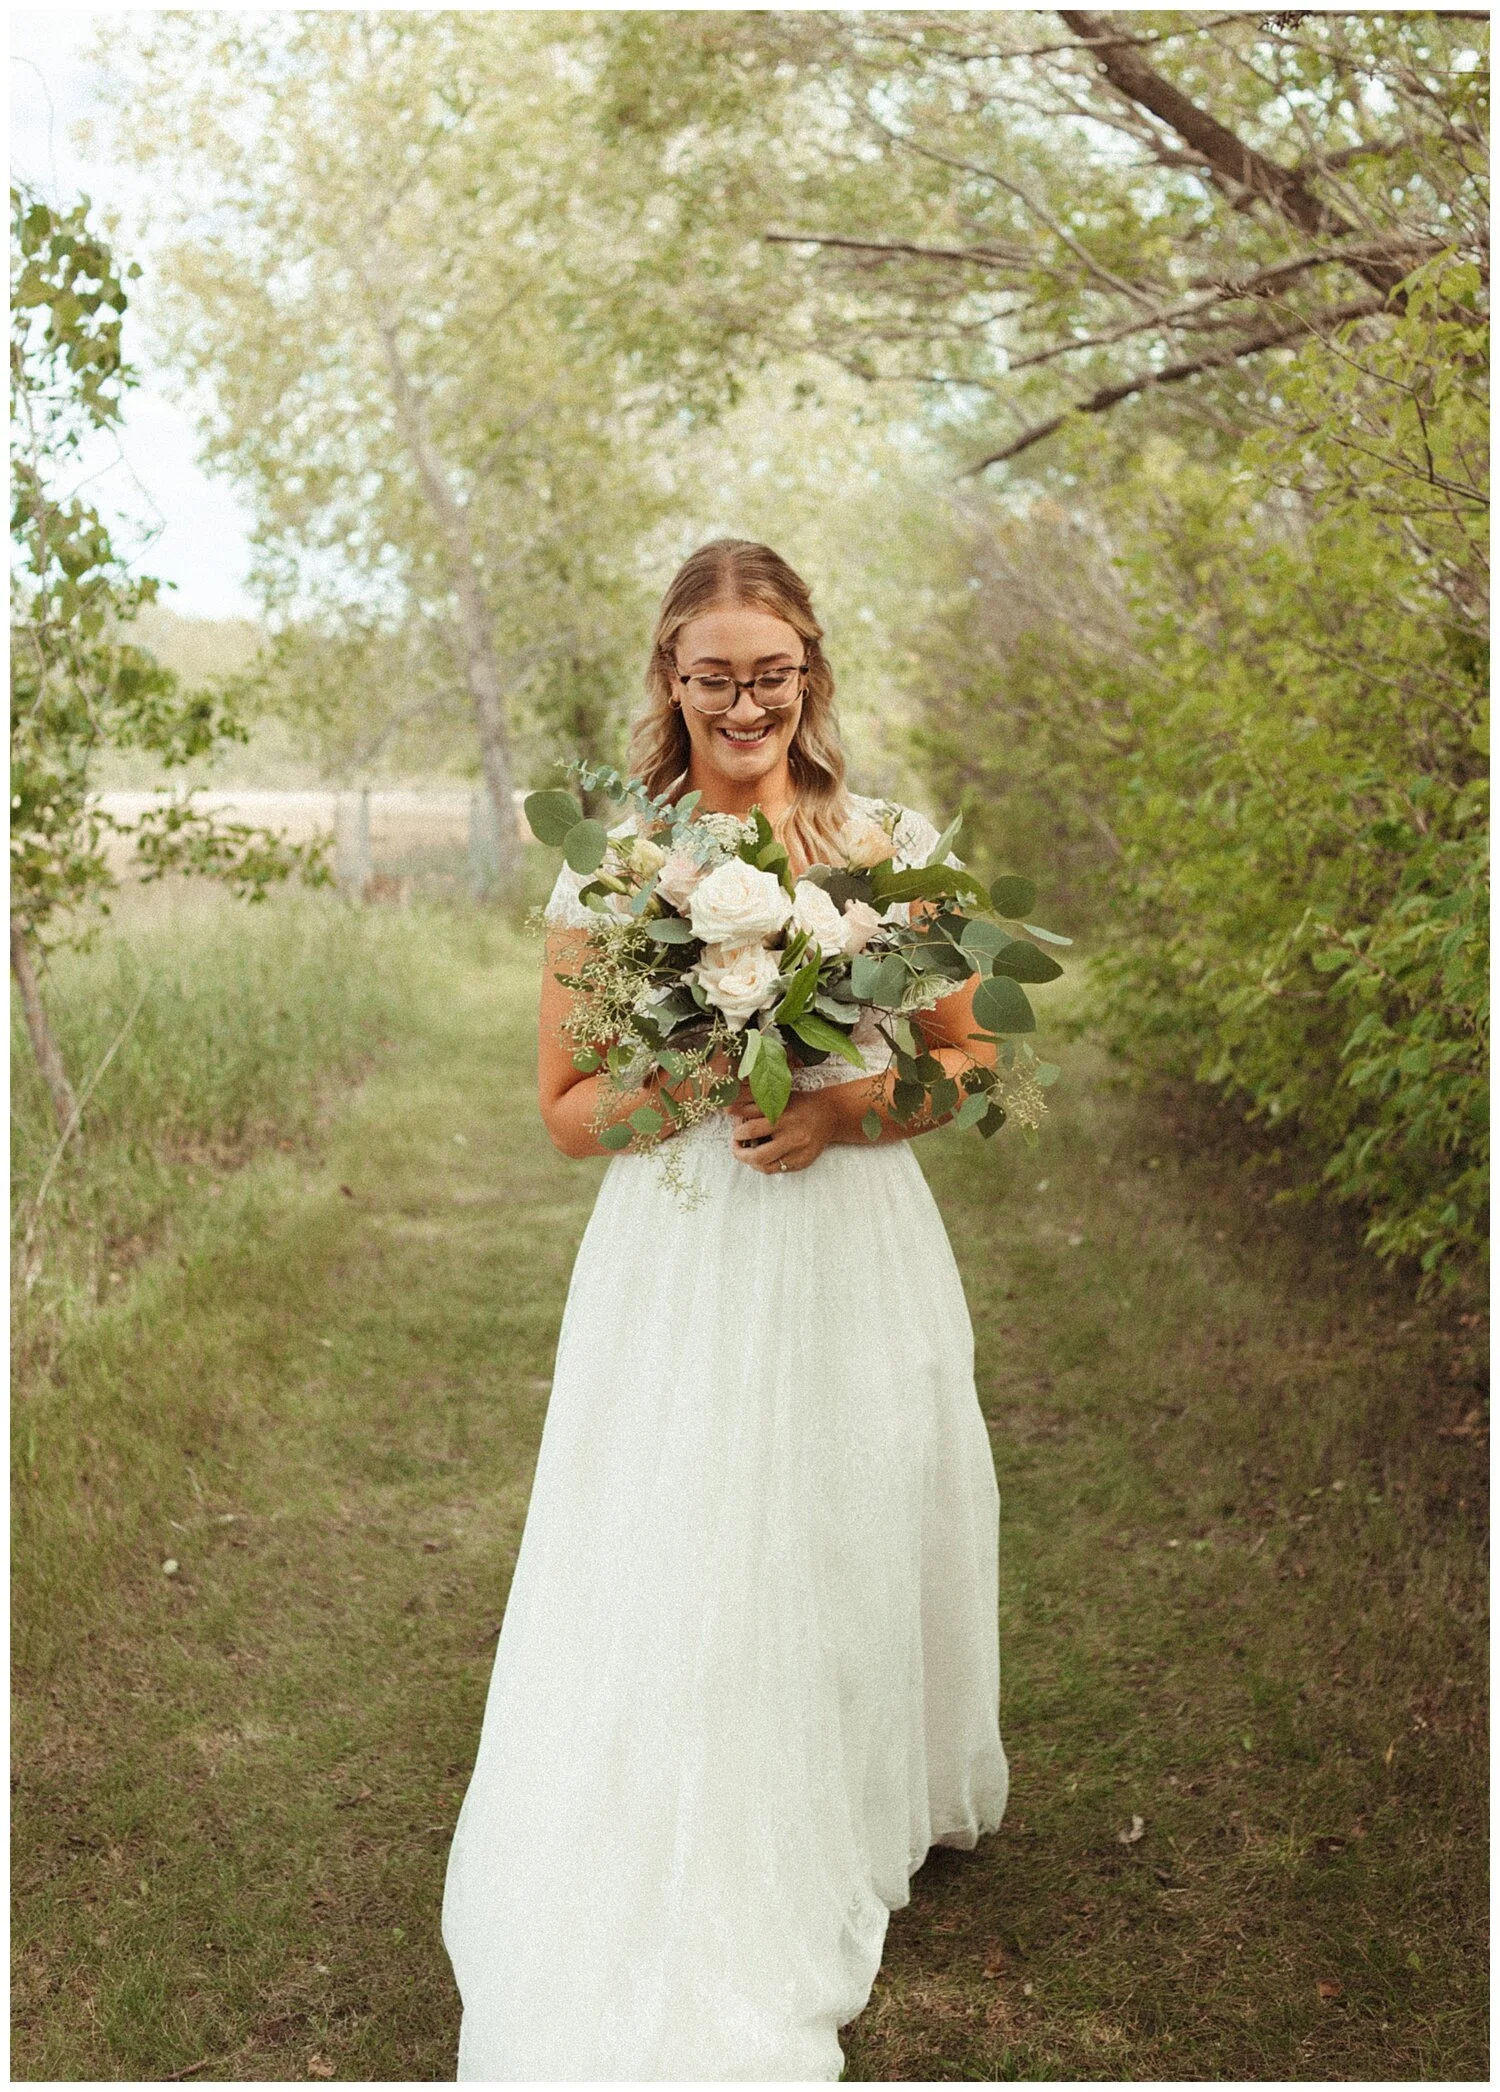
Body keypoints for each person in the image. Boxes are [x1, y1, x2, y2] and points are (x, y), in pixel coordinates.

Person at [441, 539, 1010, 2080]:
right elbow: (567, 1113)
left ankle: (856, 1787)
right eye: (715, 679)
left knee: (854, 1506)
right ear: (671, 680)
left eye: (772, 675)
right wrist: (699, 1067)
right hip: (682, 1254)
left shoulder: (892, 844)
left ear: (810, 671)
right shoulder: (618, 866)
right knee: (688, 1519)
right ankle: (690, 1795)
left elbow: (972, 1064)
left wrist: (835, 1109)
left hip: (853, 1233)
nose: (746, 704)